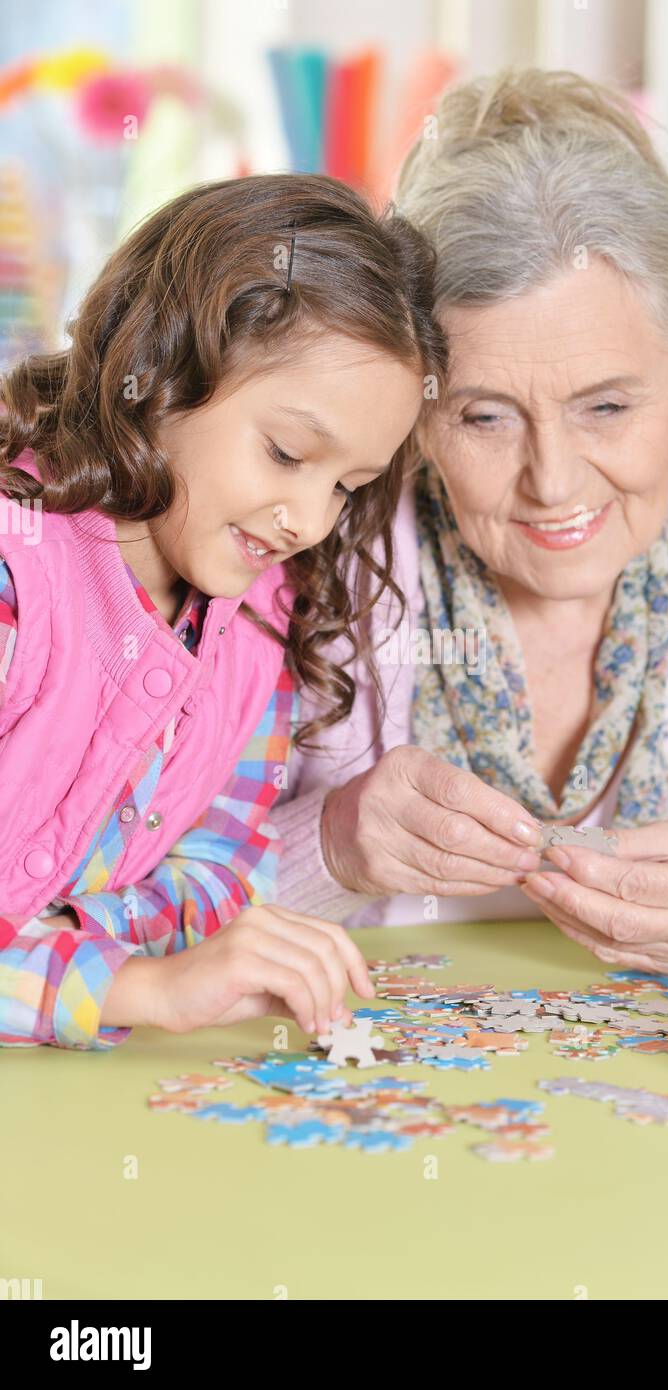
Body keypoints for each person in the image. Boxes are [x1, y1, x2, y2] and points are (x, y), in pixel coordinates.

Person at [272, 70, 668, 973]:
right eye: (483, 417)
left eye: (606, 409)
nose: (551, 483)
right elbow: (121, 899)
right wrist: (331, 847)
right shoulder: (307, 532)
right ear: (417, 404)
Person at [0, 173, 447, 1048]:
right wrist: (139, 985)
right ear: (156, 371)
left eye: (346, 487)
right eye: (285, 453)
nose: (311, 521)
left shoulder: (261, 618)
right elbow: (164, 956)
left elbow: (220, 867)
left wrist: (68, 949)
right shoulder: (18, 576)